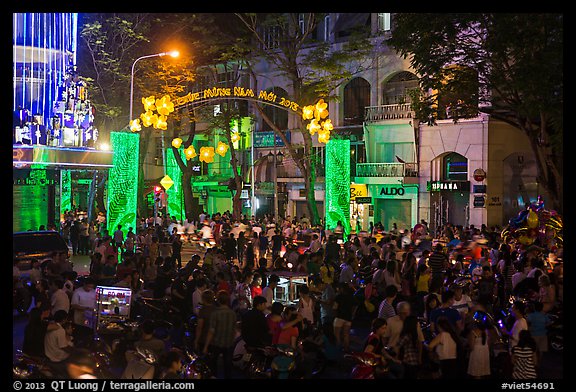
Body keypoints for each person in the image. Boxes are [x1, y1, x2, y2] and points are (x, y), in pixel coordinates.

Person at [203, 291, 240, 379]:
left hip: (216, 342)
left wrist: (206, 346)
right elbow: (235, 329)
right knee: (228, 366)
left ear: (218, 300)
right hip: (229, 342)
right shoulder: (232, 313)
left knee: (214, 365)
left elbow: (211, 331)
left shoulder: (215, 313)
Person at [44, 310, 74, 376]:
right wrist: (74, 351)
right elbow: (63, 346)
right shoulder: (60, 330)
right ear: (64, 320)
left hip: (48, 352)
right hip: (56, 357)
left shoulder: (50, 326)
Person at [396, 315, 423, 379]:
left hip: (408, 361)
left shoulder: (406, 336)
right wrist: (420, 358)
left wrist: (396, 358)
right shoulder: (415, 336)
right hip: (415, 361)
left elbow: (397, 346)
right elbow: (420, 346)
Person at [332, 282, 355, 352]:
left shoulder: (338, 297)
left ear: (342, 289)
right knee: (346, 335)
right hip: (348, 318)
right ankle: (346, 350)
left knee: (337, 335)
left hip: (339, 317)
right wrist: (352, 315)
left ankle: (338, 350)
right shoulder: (351, 297)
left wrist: (334, 316)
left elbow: (335, 307)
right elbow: (354, 307)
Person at [193, 289, 216, 353]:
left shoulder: (203, 310)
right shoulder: (216, 309)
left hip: (204, 338)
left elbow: (199, 327)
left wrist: (196, 340)